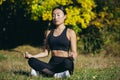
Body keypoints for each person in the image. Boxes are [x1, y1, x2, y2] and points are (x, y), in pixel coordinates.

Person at [24, 5, 77, 78]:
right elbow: (45, 52)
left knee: (68, 63)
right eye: (53, 15)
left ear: (65, 16)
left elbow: (74, 52)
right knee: (31, 61)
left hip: (64, 63)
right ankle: (56, 75)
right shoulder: (49, 33)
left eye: (58, 15)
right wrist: (32, 56)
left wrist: (72, 56)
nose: (55, 17)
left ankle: (43, 73)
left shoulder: (70, 32)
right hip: (52, 64)